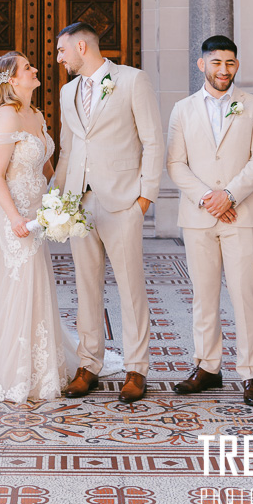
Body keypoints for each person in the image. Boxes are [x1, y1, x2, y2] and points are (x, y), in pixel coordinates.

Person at [55, 22, 164, 403]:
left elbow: (153, 140)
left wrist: (145, 198)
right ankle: (89, 365)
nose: (59, 58)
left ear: (81, 47)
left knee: (131, 288)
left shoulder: (132, 81)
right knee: (85, 288)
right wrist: (59, 199)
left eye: (62, 50)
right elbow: (68, 149)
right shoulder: (67, 92)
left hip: (123, 201)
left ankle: (136, 368)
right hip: (80, 204)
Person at [0, 51, 70, 403]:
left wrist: (58, 200)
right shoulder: (5, 116)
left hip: (37, 208)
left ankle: (40, 362)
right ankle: (15, 369)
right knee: (21, 279)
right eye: (27, 67)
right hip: (13, 209)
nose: (34, 69)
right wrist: (15, 218)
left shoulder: (35, 113)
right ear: (11, 79)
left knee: (37, 279)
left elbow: (45, 164)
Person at [166, 35, 253, 406]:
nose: (223, 70)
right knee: (204, 294)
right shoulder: (182, 109)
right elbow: (175, 162)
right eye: (216, 62)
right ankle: (207, 366)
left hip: (240, 214)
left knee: (245, 294)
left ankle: (251, 374)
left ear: (236, 65)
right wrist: (206, 198)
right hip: (198, 216)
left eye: (230, 63)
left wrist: (229, 195)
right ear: (202, 65)